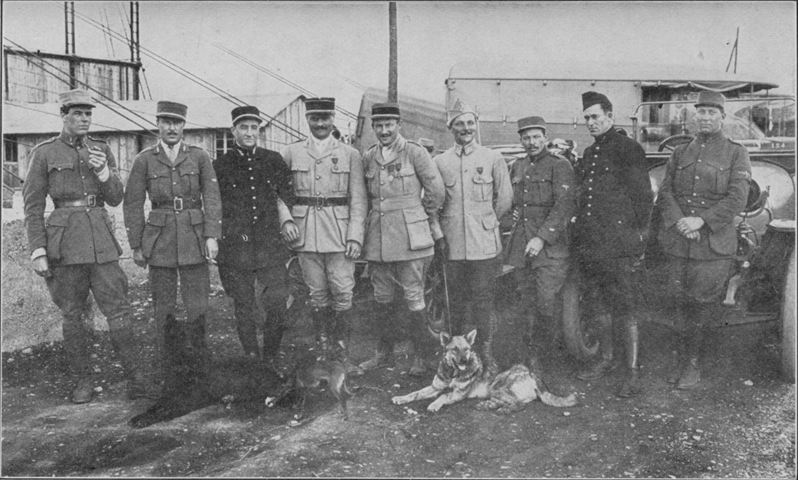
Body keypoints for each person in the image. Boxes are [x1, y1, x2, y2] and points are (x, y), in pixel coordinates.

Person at [22, 89, 155, 403]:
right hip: (64, 246)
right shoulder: (44, 153)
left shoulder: (101, 149)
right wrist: (38, 250)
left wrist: (103, 171)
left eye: (88, 114)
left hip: (100, 243)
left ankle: (135, 378)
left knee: (119, 311)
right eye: (77, 114)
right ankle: (83, 381)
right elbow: (32, 206)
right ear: (64, 115)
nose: (84, 119)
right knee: (73, 314)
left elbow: (115, 197)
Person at [656, 91, 751, 389]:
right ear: (694, 116)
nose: (706, 117)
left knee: (701, 305)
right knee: (677, 301)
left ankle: (692, 363)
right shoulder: (680, 152)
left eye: (712, 113)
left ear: (723, 117)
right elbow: (666, 193)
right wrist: (682, 222)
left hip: (713, 246)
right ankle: (681, 357)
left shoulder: (736, 153)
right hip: (678, 242)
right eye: (702, 112)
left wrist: (702, 221)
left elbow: (738, 198)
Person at [123, 100, 222, 382]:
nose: (171, 127)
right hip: (160, 238)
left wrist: (211, 235)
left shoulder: (199, 157)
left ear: (183, 126)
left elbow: (212, 198)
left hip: (193, 235)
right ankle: (167, 367)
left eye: (176, 122)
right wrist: (137, 243)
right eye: (166, 122)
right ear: (158, 124)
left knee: (198, 306)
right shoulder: (144, 159)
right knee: (163, 307)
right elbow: (132, 203)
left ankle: (201, 365)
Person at [571, 91, 654, 398]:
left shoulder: (629, 149)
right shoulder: (591, 154)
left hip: (619, 244)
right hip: (592, 244)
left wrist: (636, 242)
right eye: (587, 118)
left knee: (626, 306)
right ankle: (606, 359)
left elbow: (643, 199)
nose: (591, 123)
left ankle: (631, 372)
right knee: (598, 303)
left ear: (610, 116)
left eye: (595, 117)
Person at [280, 97, 367, 374]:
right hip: (304, 234)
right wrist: (286, 220)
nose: (320, 124)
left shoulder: (349, 154)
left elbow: (359, 200)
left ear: (333, 120)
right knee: (317, 295)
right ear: (307, 120)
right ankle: (321, 355)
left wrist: (355, 236)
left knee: (343, 293)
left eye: (325, 118)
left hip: (340, 234)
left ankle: (341, 357)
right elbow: (278, 193)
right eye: (315, 118)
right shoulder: (292, 153)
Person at [357, 103, 445, 376]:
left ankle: (423, 356)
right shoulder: (369, 156)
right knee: (381, 297)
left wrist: (420, 217)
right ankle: (382, 354)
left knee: (414, 296)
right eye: (379, 126)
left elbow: (436, 191)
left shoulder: (415, 153)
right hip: (379, 239)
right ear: (373, 128)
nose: (384, 131)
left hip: (411, 237)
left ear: (399, 125)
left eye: (389, 125)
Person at [429, 100, 513, 375]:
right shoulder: (439, 162)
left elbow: (505, 199)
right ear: (450, 127)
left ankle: (485, 355)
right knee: (454, 302)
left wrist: (486, 222)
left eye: (469, 123)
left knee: (483, 301)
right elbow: (431, 203)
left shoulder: (492, 158)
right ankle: (455, 358)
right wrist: (439, 235)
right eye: (459, 124)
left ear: (476, 126)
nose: (465, 129)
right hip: (451, 245)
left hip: (484, 245)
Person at [214, 106, 298, 363]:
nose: (249, 133)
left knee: (276, 300)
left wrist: (285, 219)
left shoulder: (273, 160)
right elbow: (213, 204)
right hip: (235, 248)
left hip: (269, 246)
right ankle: (251, 354)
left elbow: (288, 195)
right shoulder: (220, 165)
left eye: (254, 127)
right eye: (243, 127)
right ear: (233, 131)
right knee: (244, 304)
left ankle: (270, 355)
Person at [505, 116, 576, 374]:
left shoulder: (560, 165)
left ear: (545, 137)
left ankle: (548, 363)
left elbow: (565, 205)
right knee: (525, 302)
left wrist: (542, 237)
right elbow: (514, 203)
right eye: (526, 137)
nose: (531, 142)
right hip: (522, 246)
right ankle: (528, 359)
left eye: (536, 137)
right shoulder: (518, 165)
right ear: (520, 140)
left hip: (550, 248)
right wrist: (513, 214)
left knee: (546, 302)